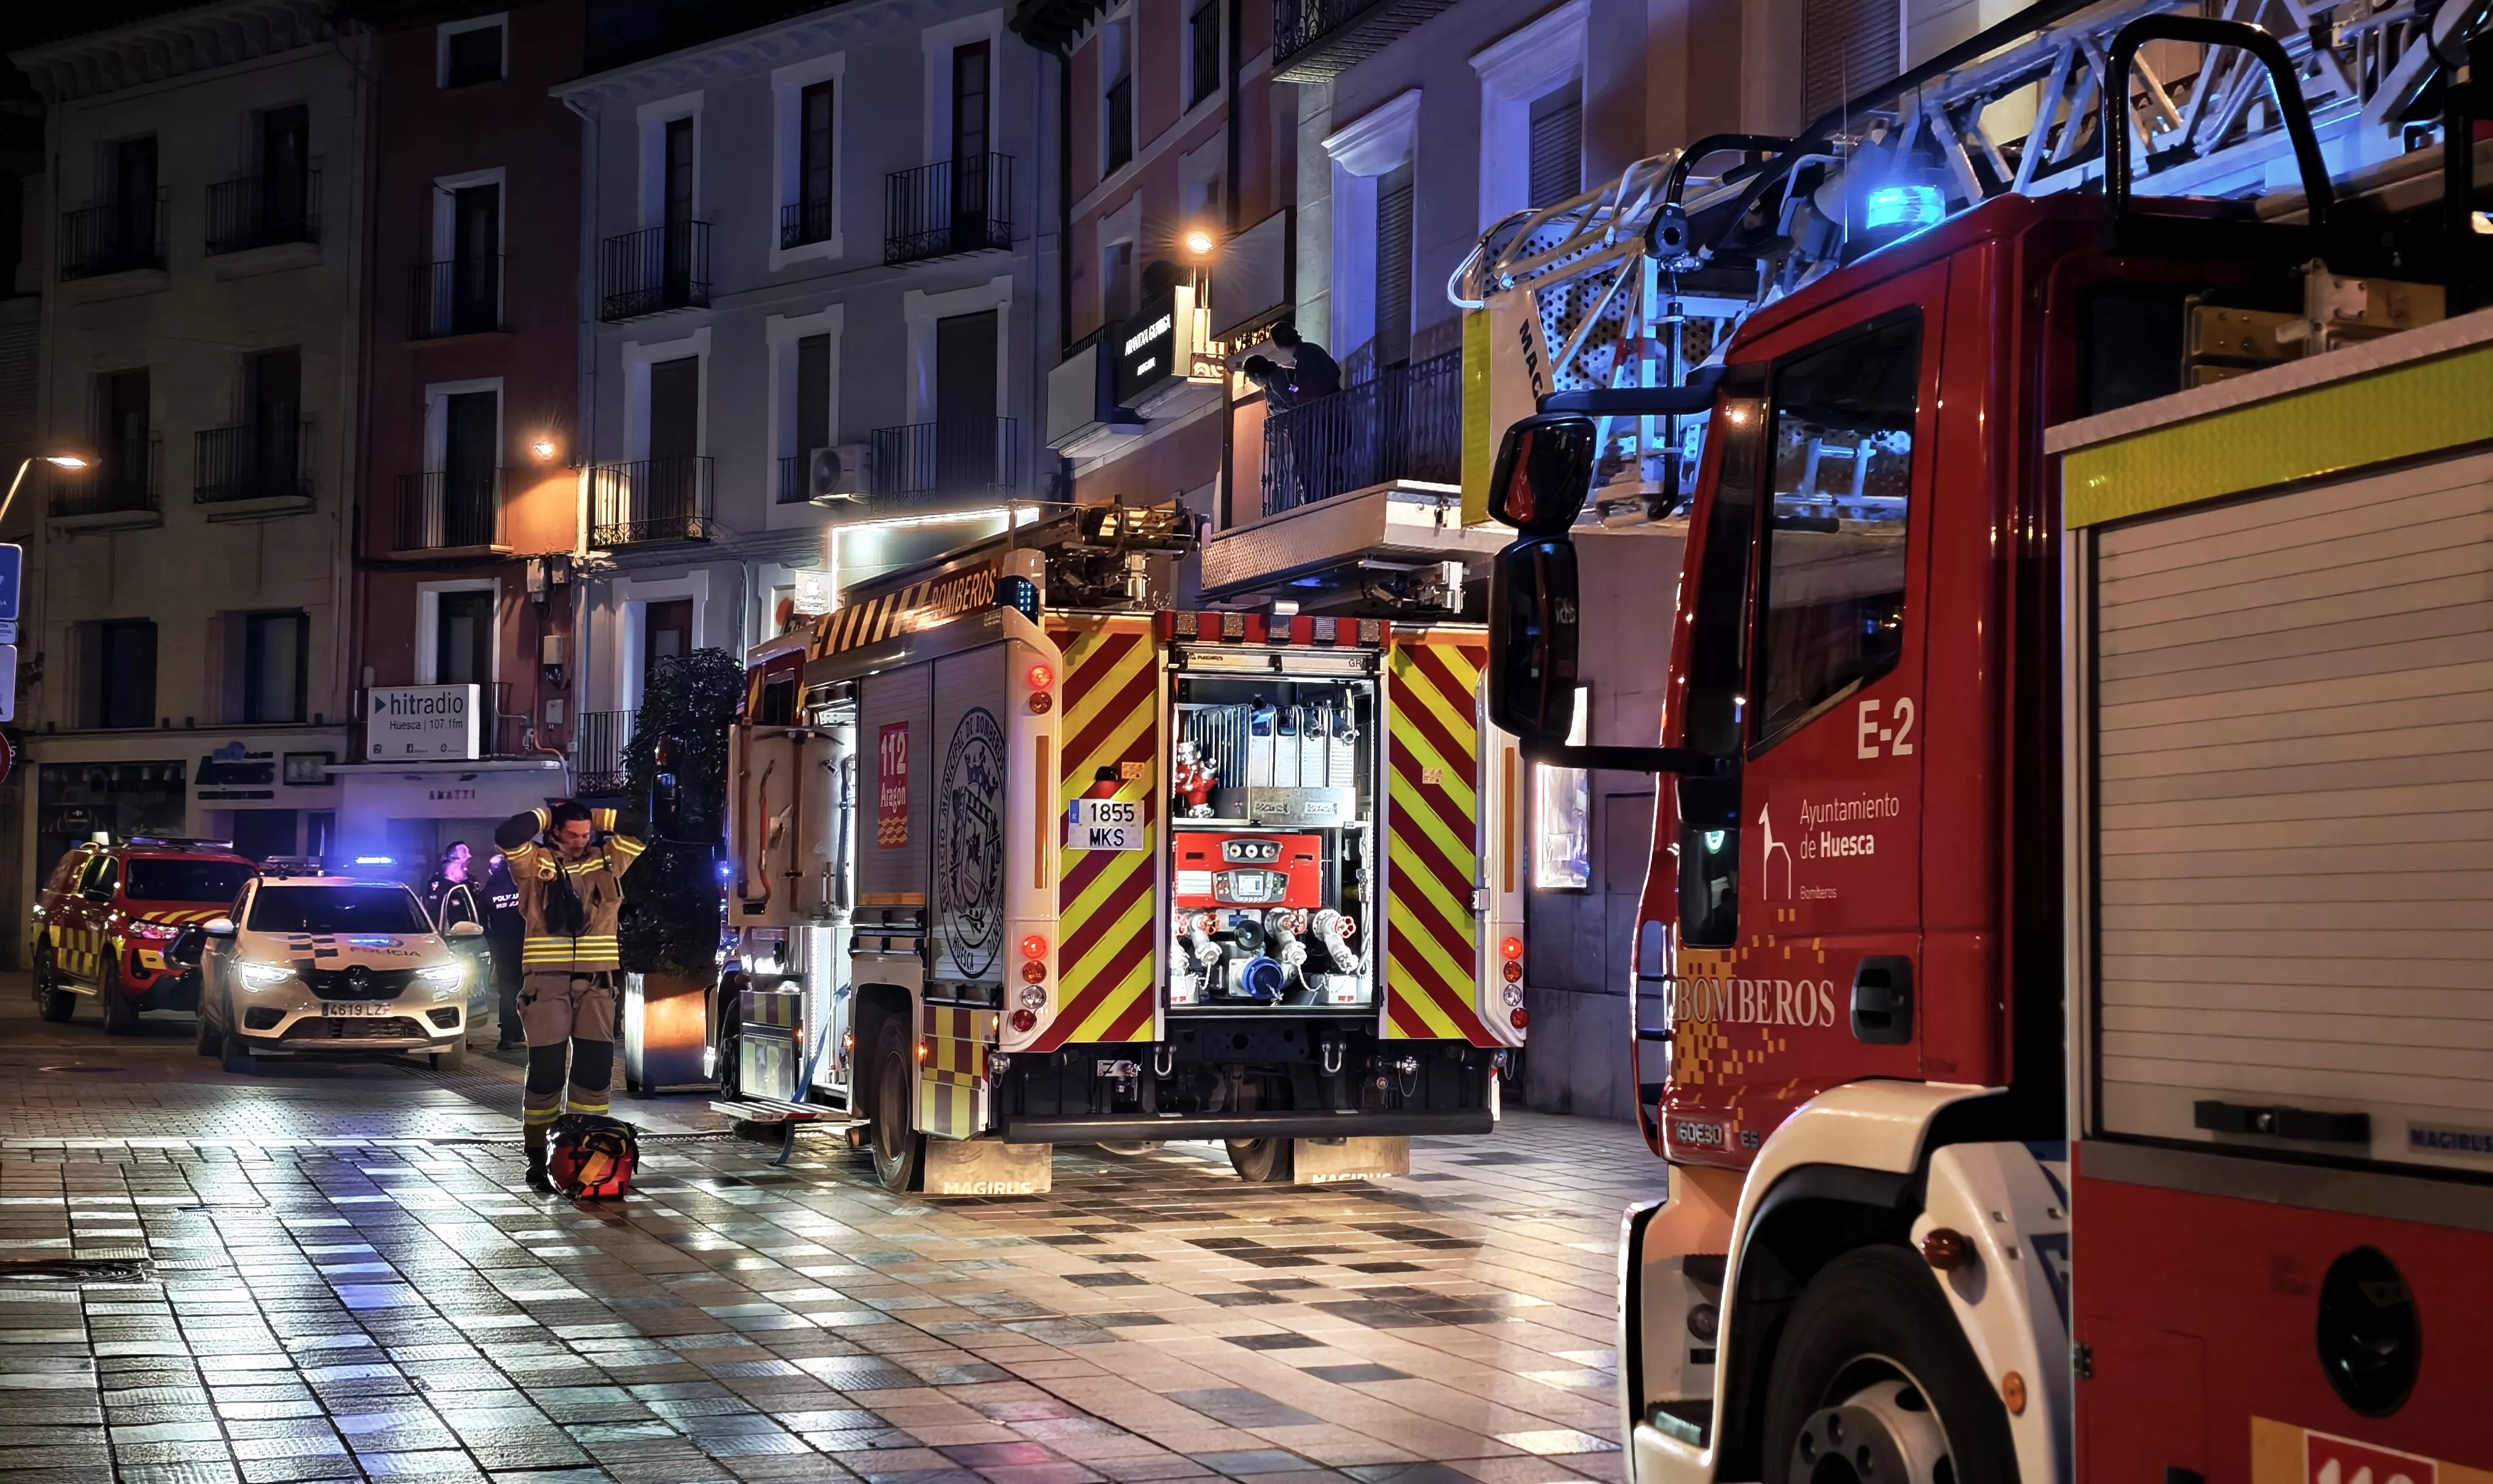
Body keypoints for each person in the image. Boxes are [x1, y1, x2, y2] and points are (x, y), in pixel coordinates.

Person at [492, 801, 649, 1191]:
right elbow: (507, 834)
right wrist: (549, 815)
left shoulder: (608, 860)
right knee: (546, 1075)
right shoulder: (535, 864)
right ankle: (536, 1159)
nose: (581, 842)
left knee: (594, 1075)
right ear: (555, 832)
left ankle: (582, 1154)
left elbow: (642, 828)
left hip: (598, 984)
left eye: (586, 835)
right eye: (572, 834)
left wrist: (591, 816)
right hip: (547, 984)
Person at [483, 851, 525, 1051]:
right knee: (529, 990)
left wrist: (492, 941)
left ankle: (509, 1034)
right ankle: (520, 1033)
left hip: (502, 945)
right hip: (528, 944)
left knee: (507, 991)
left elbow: (481, 918)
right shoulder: (522, 883)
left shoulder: (490, 888)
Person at [1269, 322, 1340, 400]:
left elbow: (1303, 393)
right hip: (1337, 396)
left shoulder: (1302, 361)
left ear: (1279, 346)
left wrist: (1290, 388)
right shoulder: (1311, 347)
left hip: (1330, 403)